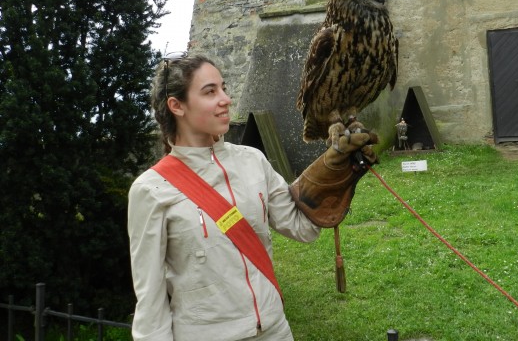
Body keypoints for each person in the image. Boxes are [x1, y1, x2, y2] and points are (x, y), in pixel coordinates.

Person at [128, 53, 376, 341]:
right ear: (176, 105)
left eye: (224, 88)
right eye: (210, 92)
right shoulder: (151, 189)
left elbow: (303, 228)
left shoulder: (253, 160)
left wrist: (333, 174)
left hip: (275, 331)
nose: (226, 99)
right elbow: (151, 299)